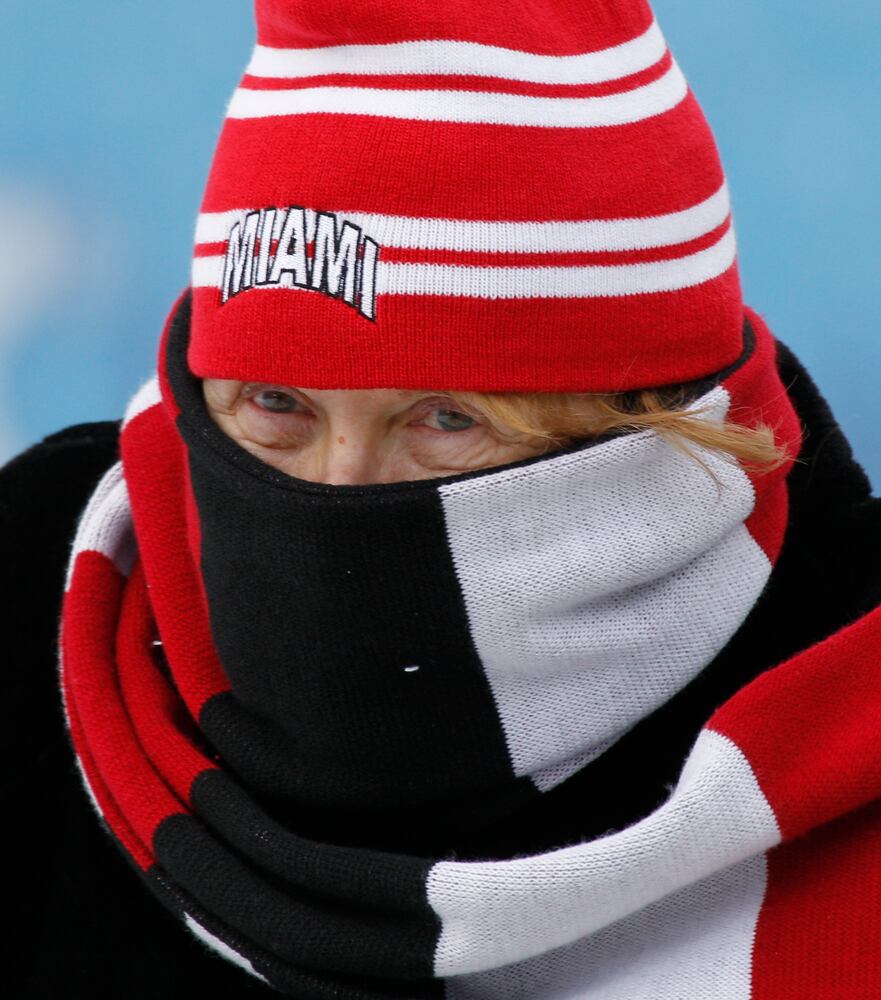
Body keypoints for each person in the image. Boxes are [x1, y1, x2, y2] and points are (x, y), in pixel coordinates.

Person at [4, 0, 881, 996]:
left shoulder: (836, 777)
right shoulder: (44, 618)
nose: (336, 496)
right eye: (277, 403)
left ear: (636, 433)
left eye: (447, 420)